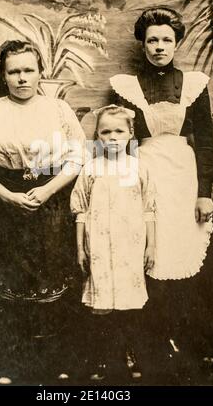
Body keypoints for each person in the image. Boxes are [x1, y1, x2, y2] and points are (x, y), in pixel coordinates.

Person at [0, 40, 86, 383]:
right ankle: (10, 366)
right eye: (14, 71)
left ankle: (55, 365)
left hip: (52, 200)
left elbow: (76, 160)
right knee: (7, 282)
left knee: (52, 278)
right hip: (2, 205)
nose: (22, 78)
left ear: (40, 71)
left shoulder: (59, 110)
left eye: (29, 70)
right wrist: (7, 196)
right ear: (3, 74)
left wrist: (46, 191)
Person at [110, 7, 213, 384]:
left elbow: (206, 142)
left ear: (177, 44)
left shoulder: (193, 84)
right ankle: (148, 346)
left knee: (186, 259)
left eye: (166, 40)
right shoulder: (126, 86)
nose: (159, 47)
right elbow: (120, 143)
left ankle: (187, 346)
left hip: (184, 179)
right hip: (144, 176)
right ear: (142, 44)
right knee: (148, 258)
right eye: (152, 40)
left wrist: (205, 193)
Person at [70, 105, 156, 383]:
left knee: (129, 306)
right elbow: (80, 210)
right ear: (97, 137)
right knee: (102, 305)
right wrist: (80, 248)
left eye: (119, 131)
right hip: (99, 249)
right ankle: (103, 358)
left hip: (129, 248)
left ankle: (131, 354)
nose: (113, 137)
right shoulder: (91, 168)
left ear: (131, 134)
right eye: (105, 132)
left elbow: (149, 210)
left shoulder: (139, 167)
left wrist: (150, 246)